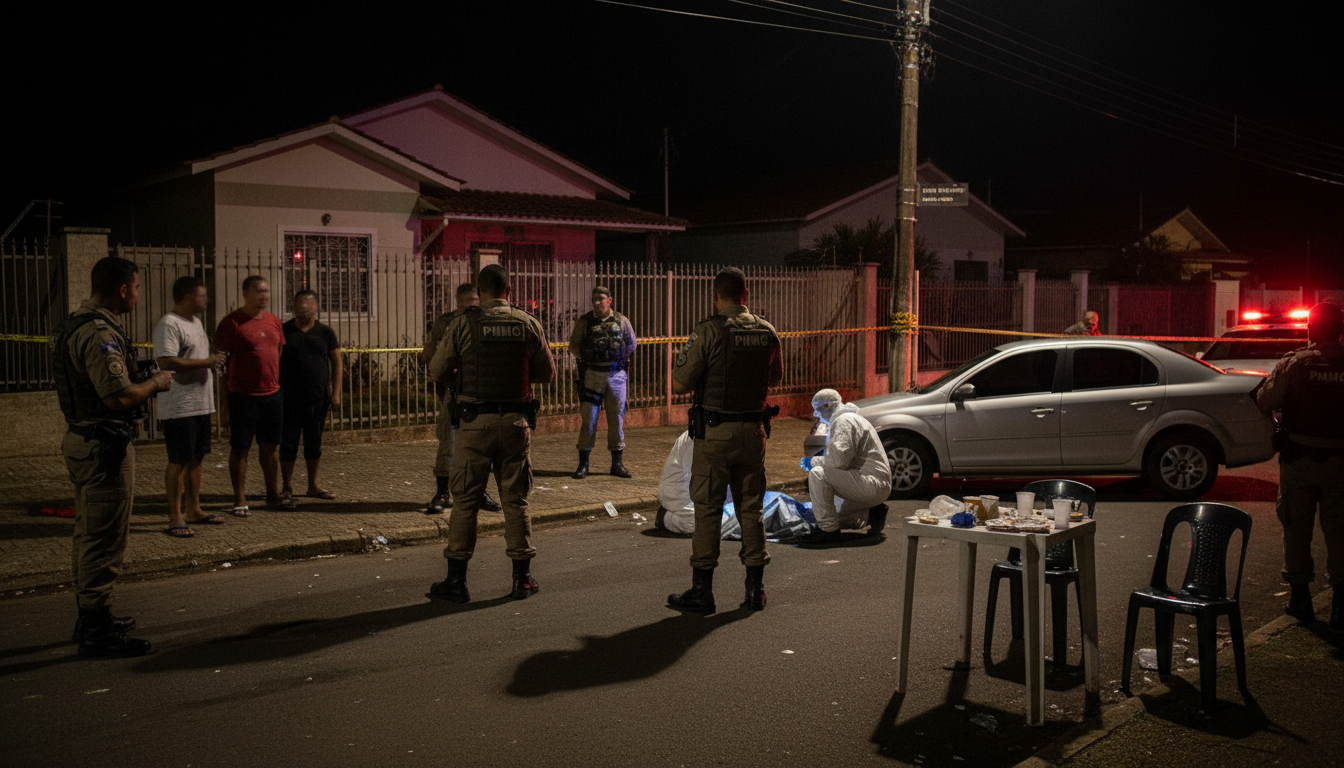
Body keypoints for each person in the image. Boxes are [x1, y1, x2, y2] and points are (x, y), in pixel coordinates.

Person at [51, 255, 173, 657]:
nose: (138, 295)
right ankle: (95, 630)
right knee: (104, 539)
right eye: (136, 288)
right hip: (103, 445)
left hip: (87, 440)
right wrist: (156, 382)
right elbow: (117, 395)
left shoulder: (77, 323)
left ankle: (92, 615)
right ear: (123, 289)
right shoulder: (98, 332)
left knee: (89, 533)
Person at [426, 264, 555, 603]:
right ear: (508, 291)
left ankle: (456, 582)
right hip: (515, 424)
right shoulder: (527, 323)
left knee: (466, 501)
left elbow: (437, 370)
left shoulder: (464, 324)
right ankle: (521, 580)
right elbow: (546, 373)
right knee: (516, 501)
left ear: (480, 292)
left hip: (475, 424)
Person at [666, 266, 783, 614]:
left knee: (707, 509)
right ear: (745, 294)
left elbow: (680, 383)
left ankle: (702, 592)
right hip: (753, 433)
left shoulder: (710, 330)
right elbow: (774, 378)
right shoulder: (767, 330)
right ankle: (754, 591)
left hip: (716, 433)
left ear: (716, 296)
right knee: (751, 507)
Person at [1255, 301, 1344, 630]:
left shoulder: (1295, 364)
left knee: (1296, 530)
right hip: (1340, 465)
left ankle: (1301, 601)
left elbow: (1265, 400)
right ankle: (1340, 608)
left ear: (1310, 328)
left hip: (1300, 461)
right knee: (1340, 535)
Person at [153, 275, 227, 538]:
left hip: (200, 404)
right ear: (186, 297)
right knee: (178, 461)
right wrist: (206, 363)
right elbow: (166, 361)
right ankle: (175, 516)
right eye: (202, 295)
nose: (206, 299)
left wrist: (211, 363)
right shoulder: (169, 324)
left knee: (197, 459)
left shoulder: (195, 322)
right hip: (180, 406)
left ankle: (194, 509)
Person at [421, 283, 500, 514]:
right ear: (458, 301)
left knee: (481, 446)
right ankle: (443, 492)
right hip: (455, 392)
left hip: (481, 392)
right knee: (449, 442)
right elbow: (430, 356)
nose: (472, 306)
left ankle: (480, 492)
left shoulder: (488, 323)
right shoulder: (446, 323)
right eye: (468, 301)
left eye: (476, 301)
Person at [214, 275, 287, 517]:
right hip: (243, 396)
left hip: (272, 395)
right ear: (245, 293)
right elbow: (221, 366)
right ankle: (239, 498)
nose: (265, 296)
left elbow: (278, 351)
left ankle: (272, 494)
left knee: (270, 448)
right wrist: (224, 405)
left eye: (267, 291)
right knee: (241, 448)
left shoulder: (274, 322)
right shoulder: (231, 323)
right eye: (259, 291)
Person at [797, 389, 891, 543]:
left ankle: (828, 531)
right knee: (839, 516)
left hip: (871, 484)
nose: (816, 415)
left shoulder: (843, 421)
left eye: (817, 410)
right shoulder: (851, 419)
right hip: (873, 483)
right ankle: (872, 513)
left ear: (827, 406)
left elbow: (838, 462)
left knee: (818, 474)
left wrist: (811, 462)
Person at [279, 289, 343, 503]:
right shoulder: (284, 330)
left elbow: (336, 362)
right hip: (288, 398)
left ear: (316, 308)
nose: (303, 311)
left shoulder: (325, 333)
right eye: (298, 306)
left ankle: (312, 485)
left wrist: (335, 394)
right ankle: (286, 486)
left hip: (317, 398)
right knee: (288, 442)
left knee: (313, 442)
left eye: (307, 306)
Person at [569, 286, 637, 479]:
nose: (597, 303)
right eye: (594, 299)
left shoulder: (621, 321)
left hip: (616, 375)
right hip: (592, 375)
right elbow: (574, 345)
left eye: (601, 299)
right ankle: (583, 465)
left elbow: (632, 343)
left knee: (616, 420)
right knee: (589, 421)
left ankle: (617, 464)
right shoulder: (585, 322)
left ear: (610, 300)